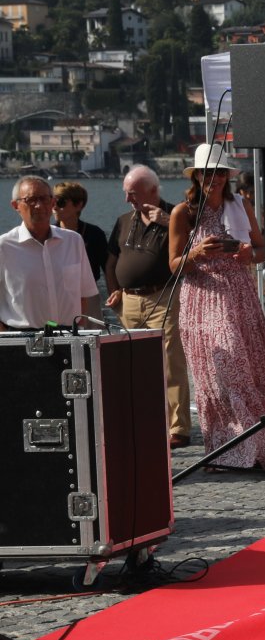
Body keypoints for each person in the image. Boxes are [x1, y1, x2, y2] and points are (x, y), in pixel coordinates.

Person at [167, 145, 265, 469]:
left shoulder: (240, 204)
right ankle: (231, 449)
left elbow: (264, 250)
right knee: (218, 371)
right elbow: (174, 265)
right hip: (202, 297)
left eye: (221, 172)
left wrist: (250, 253)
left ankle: (262, 448)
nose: (216, 178)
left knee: (251, 368)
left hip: (239, 293)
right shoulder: (183, 212)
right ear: (196, 176)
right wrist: (198, 253)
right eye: (209, 173)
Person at [106, 166, 191, 447]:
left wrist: (168, 222)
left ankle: (178, 428)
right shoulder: (123, 221)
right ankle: (144, 421)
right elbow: (111, 261)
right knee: (135, 365)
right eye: (126, 193)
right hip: (128, 302)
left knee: (170, 362)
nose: (127, 199)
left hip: (164, 296)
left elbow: (194, 248)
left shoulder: (177, 214)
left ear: (153, 190)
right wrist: (115, 290)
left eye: (133, 193)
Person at [0, 176, 97, 330]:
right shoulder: (4, 246)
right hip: (22, 337)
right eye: (31, 200)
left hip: (69, 334)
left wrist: (79, 327)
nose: (39, 206)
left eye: (44, 199)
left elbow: (83, 294)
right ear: (16, 205)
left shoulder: (73, 241)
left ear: (52, 203)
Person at [50, 181, 108, 287]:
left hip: (87, 291)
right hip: (57, 292)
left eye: (61, 203)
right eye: (52, 203)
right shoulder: (48, 234)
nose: (54, 207)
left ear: (78, 205)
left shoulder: (94, 234)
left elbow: (108, 268)